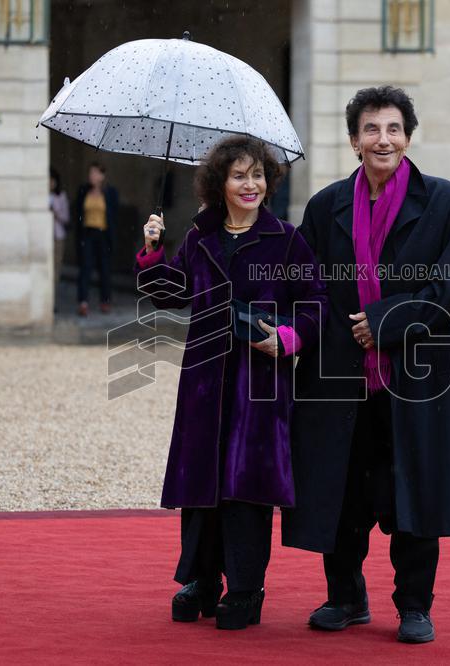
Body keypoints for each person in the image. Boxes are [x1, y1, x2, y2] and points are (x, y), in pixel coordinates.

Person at [281, 86, 450, 644]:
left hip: (412, 375)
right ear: (353, 141)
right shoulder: (324, 207)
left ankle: (414, 604)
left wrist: (386, 322)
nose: (382, 139)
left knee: (411, 488)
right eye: (370, 129)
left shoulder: (445, 203)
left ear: (407, 136)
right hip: (337, 374)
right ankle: (345, 596)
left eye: (392, 128)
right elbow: (306, 285)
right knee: (340, 489)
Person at [136, 136, 326, 630]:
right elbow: (172, 294)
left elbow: (315, 302)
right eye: (240, 175)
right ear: (219, 183)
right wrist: (153, 252)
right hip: (204, 379)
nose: (251, 184)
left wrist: (289, 338)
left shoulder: (286, 239)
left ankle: (245, 588)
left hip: (258, 381)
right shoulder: (198, 238)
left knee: (246, 488)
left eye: (259, 175)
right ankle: (201, 579)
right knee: (201, 484)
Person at [73, 162, 118, 316]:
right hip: (87, 233)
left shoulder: (110, 192)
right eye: (90, 173)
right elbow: (78, 212)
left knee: (104, 268)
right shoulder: (83, 190)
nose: (92, 176)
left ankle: (105, 300)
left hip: (103, 234)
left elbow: (113, 214)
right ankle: (83, 301)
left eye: (95, 173)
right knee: (85, 267)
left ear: (102, 176)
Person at [49, 167, 70, 307]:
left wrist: (56, 213)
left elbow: (66, 217)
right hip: (44, 236)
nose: (50, 183)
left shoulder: (61, 196)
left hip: (58, 236)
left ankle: (52, 302)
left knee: (56, 270)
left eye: (52, 180)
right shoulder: (40, 195)